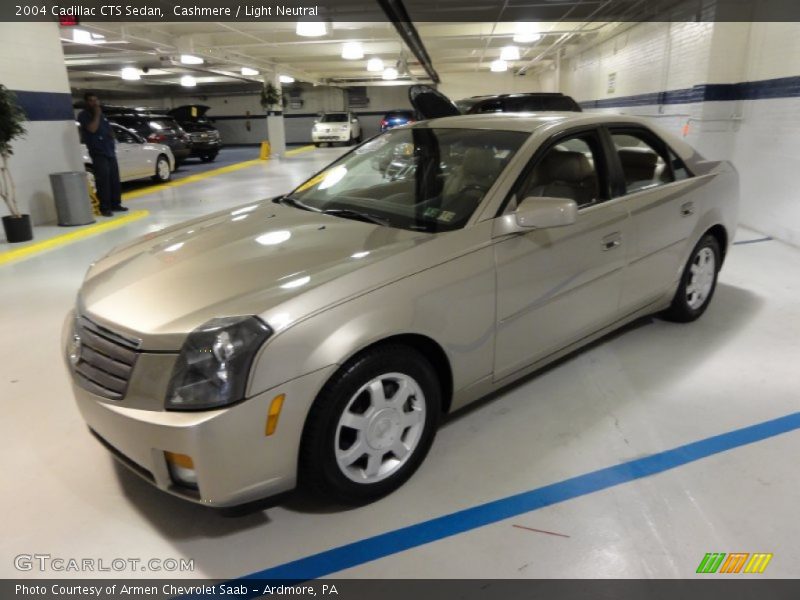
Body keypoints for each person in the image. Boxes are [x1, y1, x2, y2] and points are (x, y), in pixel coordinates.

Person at [77, 92, 127, 217]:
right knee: (103, 180)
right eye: (91, 101)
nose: (94, 103)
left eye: (96, 100)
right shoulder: (84, 115)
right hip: (98, 152)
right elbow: (92, 129)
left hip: (109, 151)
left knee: (114, 179)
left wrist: (112, 137)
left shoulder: (102, 115)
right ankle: (105, 207)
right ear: (87, 102)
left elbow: (108, 129)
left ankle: (116, 204)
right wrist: (97, 115)